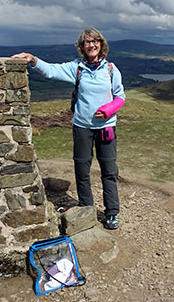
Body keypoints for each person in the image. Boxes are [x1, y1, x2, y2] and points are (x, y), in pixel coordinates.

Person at [11, 27, 126, 230]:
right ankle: (86, 208)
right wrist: (32, 59)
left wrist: (109, 110)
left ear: (101, 44)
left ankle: (112, 213)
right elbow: (51, 71)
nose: (91, 45)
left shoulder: (110, 69)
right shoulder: (77, 68)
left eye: (95, 41)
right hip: (82, 127)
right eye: (86, 42)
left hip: (106, 128)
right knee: (82, 169)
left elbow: (120, 96)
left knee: (109, 171)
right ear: (82, 47)